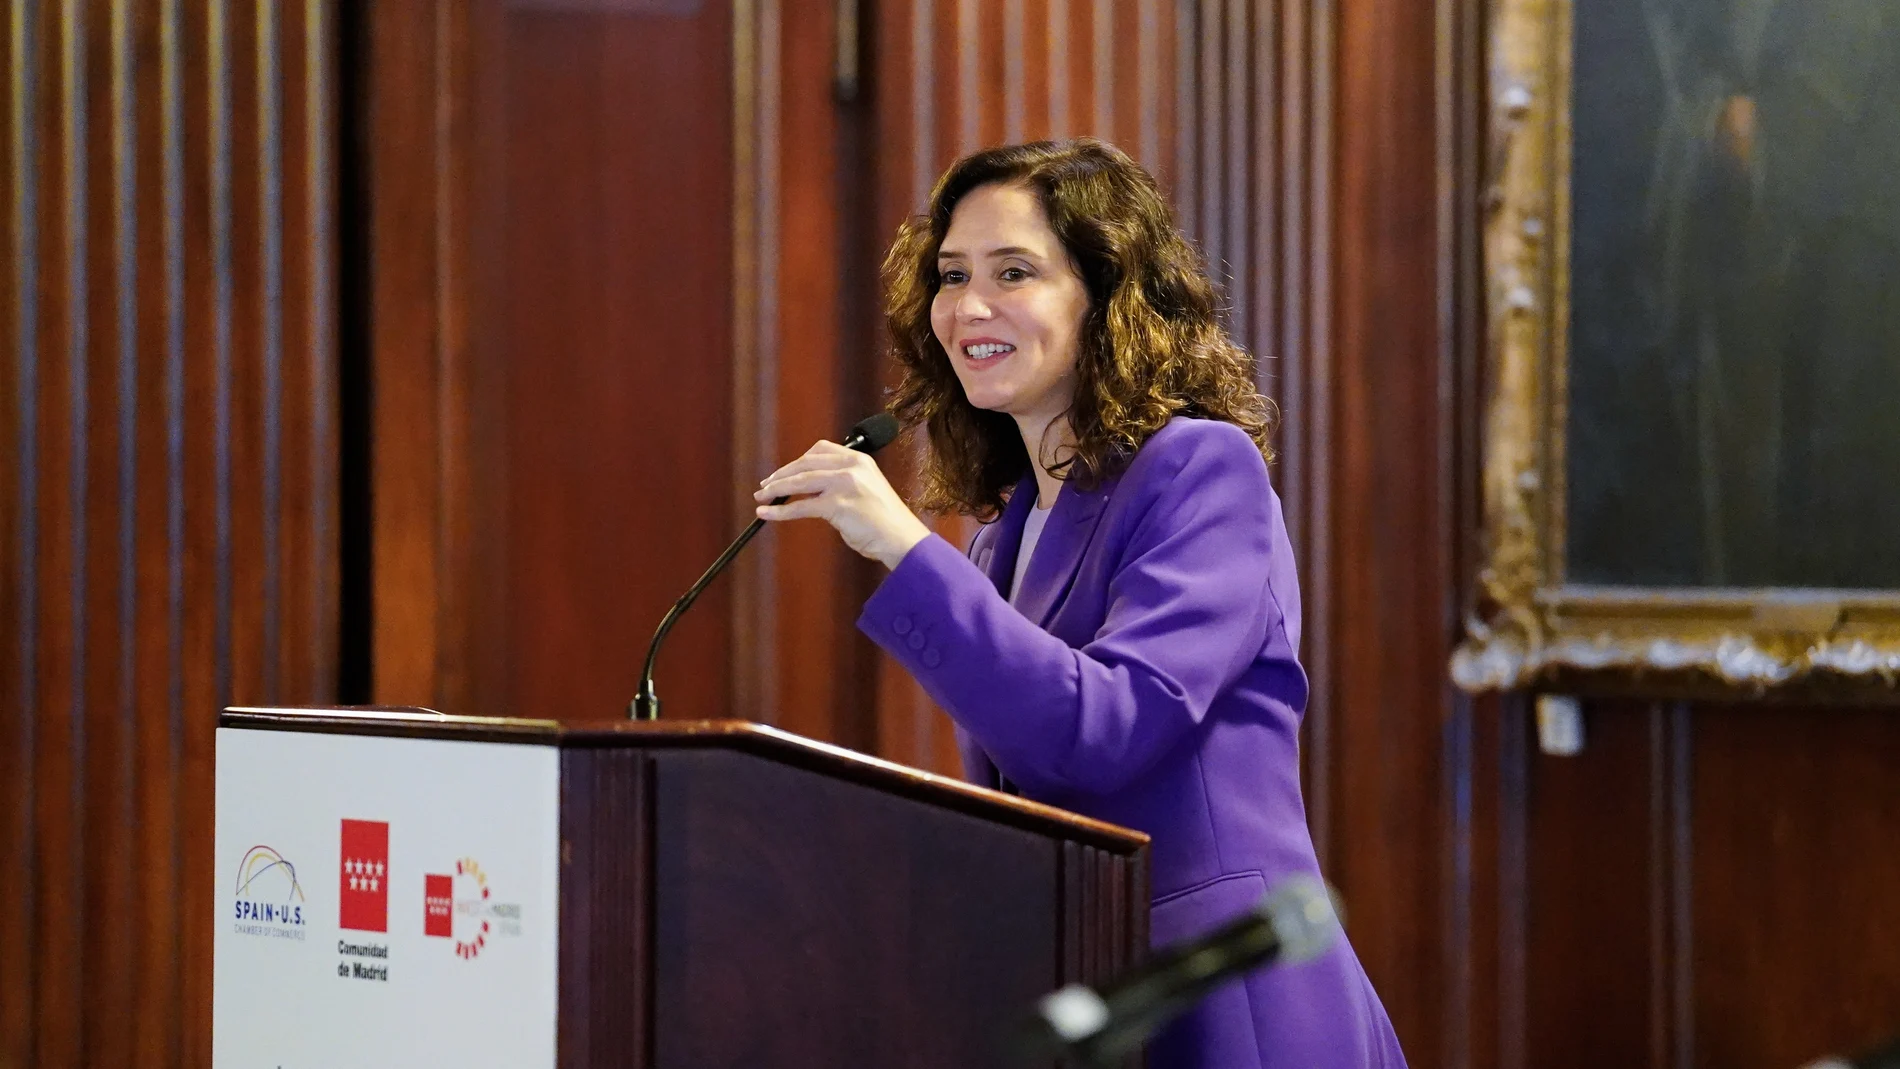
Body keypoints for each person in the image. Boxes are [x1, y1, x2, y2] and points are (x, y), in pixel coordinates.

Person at [752, 138, 1406, 1069]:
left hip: (1228, 1000)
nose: (968, 307)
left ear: (1106, 297)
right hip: (1094, 993)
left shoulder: (1199, 467)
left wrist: (900, 546)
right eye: (951, 275)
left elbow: (1106, 726)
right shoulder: (1002, 534)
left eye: (1014, 271)